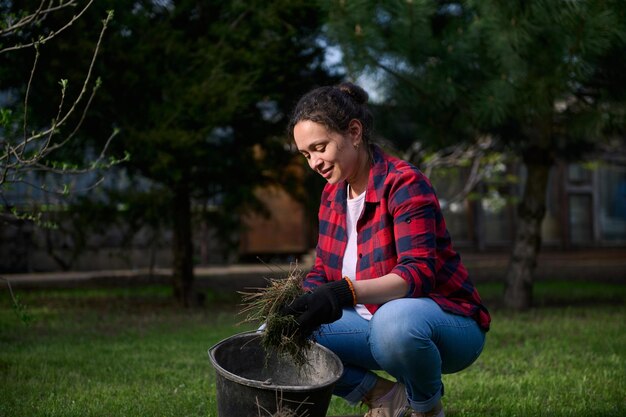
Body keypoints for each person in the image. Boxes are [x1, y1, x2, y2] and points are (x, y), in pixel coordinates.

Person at [280, 82, 491, 417]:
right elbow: (324, 271)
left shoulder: (404, 183)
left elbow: (416, 274)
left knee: (393, 322)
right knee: (279, 334)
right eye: (306, 155)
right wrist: (301, 300)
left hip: (445, 325)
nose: (314, 163)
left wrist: (344, 292)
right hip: (370, 325)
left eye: (320, 148)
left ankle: (426, 408)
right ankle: (385, 396)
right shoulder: (332, 196)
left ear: (353, 132)